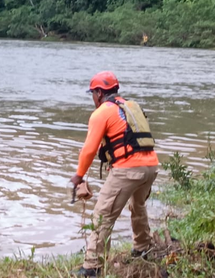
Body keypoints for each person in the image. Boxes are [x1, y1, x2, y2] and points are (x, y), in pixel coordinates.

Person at [70, 71, 159, 277]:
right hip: (151, 166)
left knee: (103, 214)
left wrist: (78, 176)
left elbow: (89, 149)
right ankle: (143, 247)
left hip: (128, 169)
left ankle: (93, 266)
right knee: (138, 205)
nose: (93, 98)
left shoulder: (102, 112)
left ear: (100, 93)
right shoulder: (132, 106)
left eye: (93, 93)